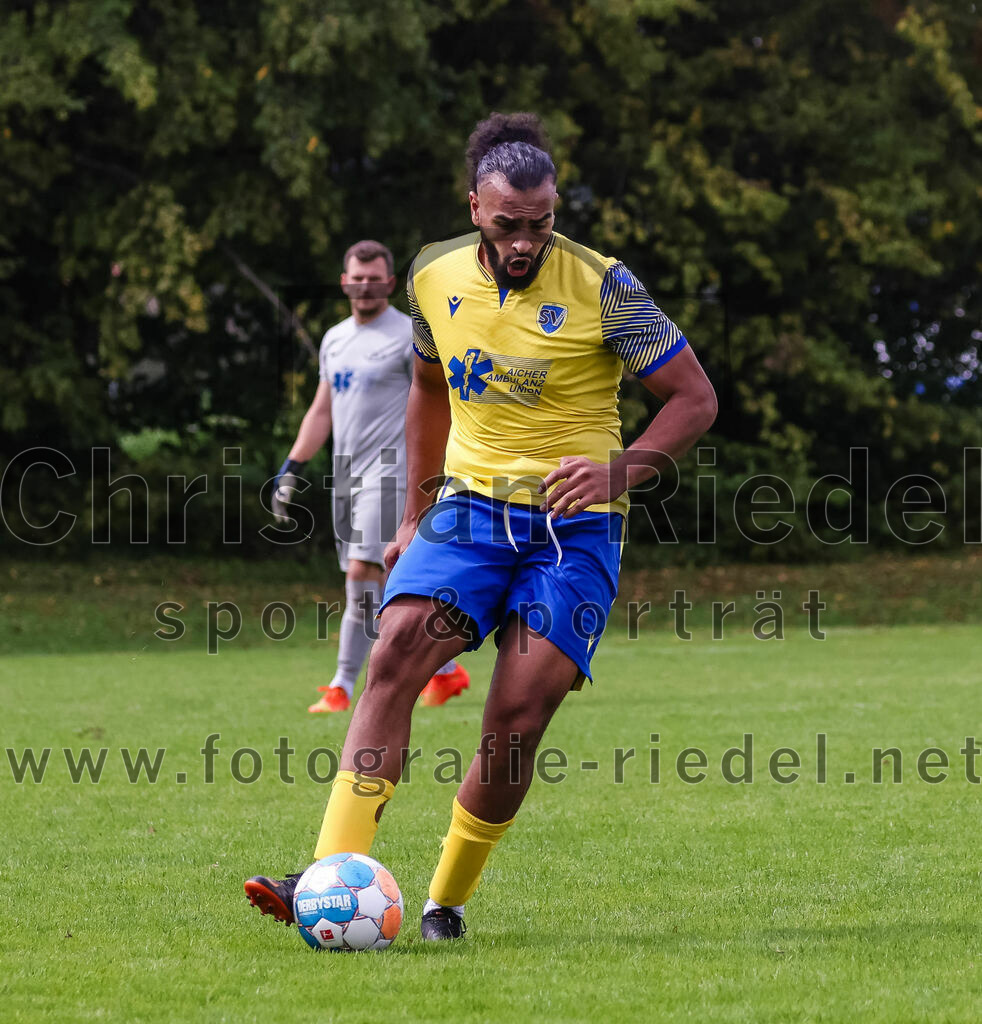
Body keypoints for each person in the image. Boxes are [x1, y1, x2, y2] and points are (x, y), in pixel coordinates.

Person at [246, 113, 717, 939]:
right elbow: (428, 389)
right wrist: (417, 508)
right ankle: (325, 875)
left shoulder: (606, 287)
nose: (527, 239)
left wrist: (620, 469)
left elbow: (695, 398)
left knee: (516, 718)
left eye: (541, 222)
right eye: (509, 223)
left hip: (576, 528)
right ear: (475, 209)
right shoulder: (433, 276)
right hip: (467, 510)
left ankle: (444, 901)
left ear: (555, 207)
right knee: (392, 651)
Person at [271, 239, 469, 713]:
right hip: (348, 475)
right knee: (389, 576)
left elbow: (437, 401)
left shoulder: (408, 335)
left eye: (375, 277)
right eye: (357, 278)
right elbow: (322, 411)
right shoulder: (335, 339)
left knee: (366, 572)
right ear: (344, 282)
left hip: (393, 471)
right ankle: (444, 671)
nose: (366, 286)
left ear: (389, 281)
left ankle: (342, 685)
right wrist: (292, 467)